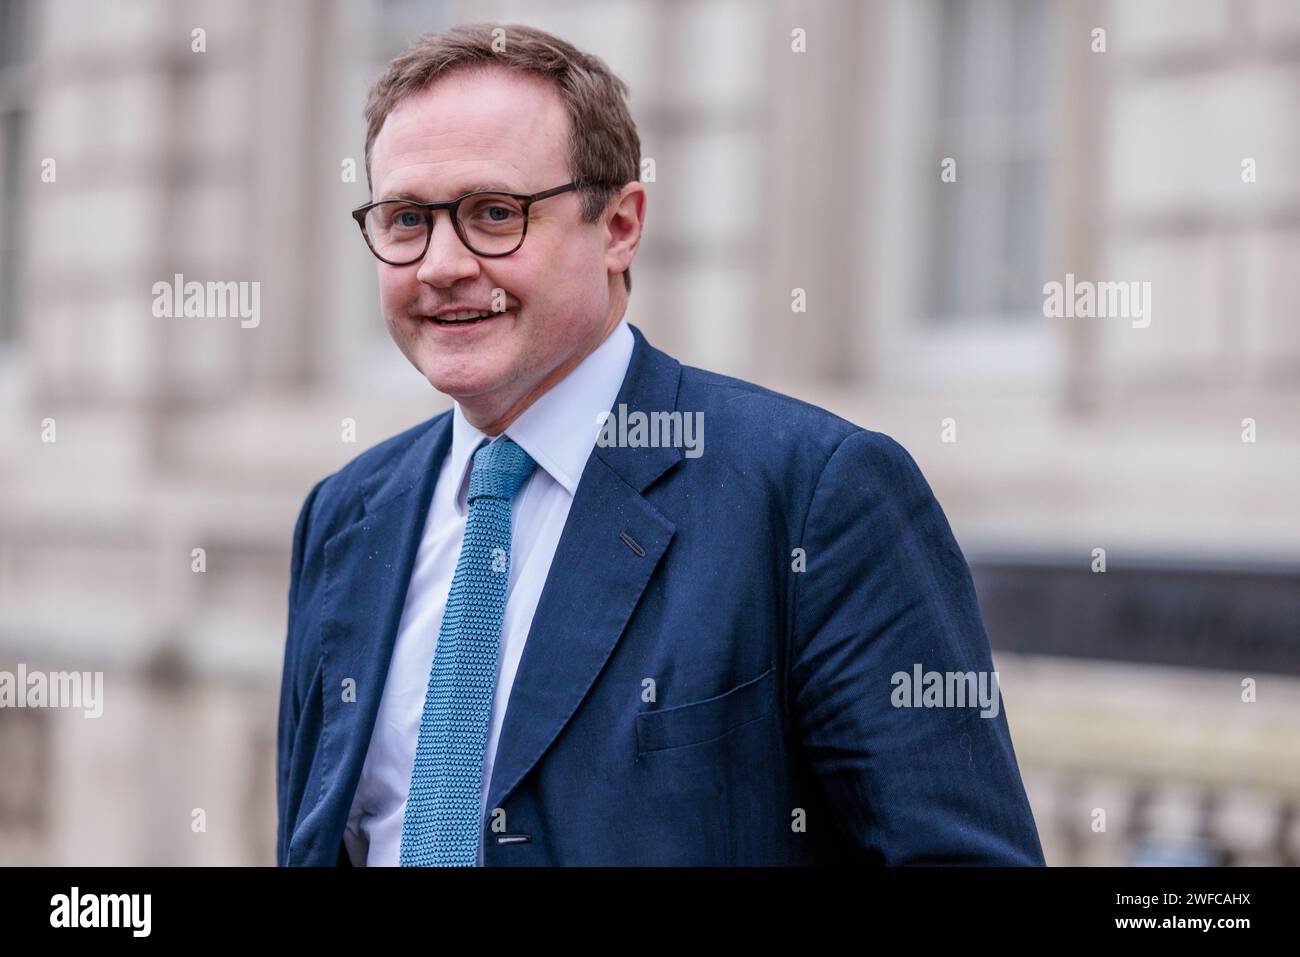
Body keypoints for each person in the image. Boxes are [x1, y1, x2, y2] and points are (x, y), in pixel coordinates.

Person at [276, 22, 1045, 867]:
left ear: (620, 227)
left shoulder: (816, 493)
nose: (441, 264)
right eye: (406, 219)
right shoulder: (345, 516)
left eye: (494, 214)